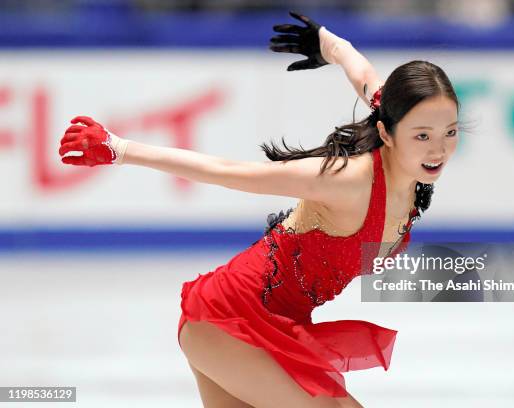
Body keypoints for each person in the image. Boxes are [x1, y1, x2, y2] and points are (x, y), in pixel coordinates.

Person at [58, 11, 460, 408]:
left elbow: (365, 77)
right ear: (387, 132)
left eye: (450, 132)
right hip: (225, 321)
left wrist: (331, 45)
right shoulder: (347, 180)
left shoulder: (403, 147)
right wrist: (122, 149)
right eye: (422, 135)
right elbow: (230, 172)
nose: (438, 148)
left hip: (273, 327)